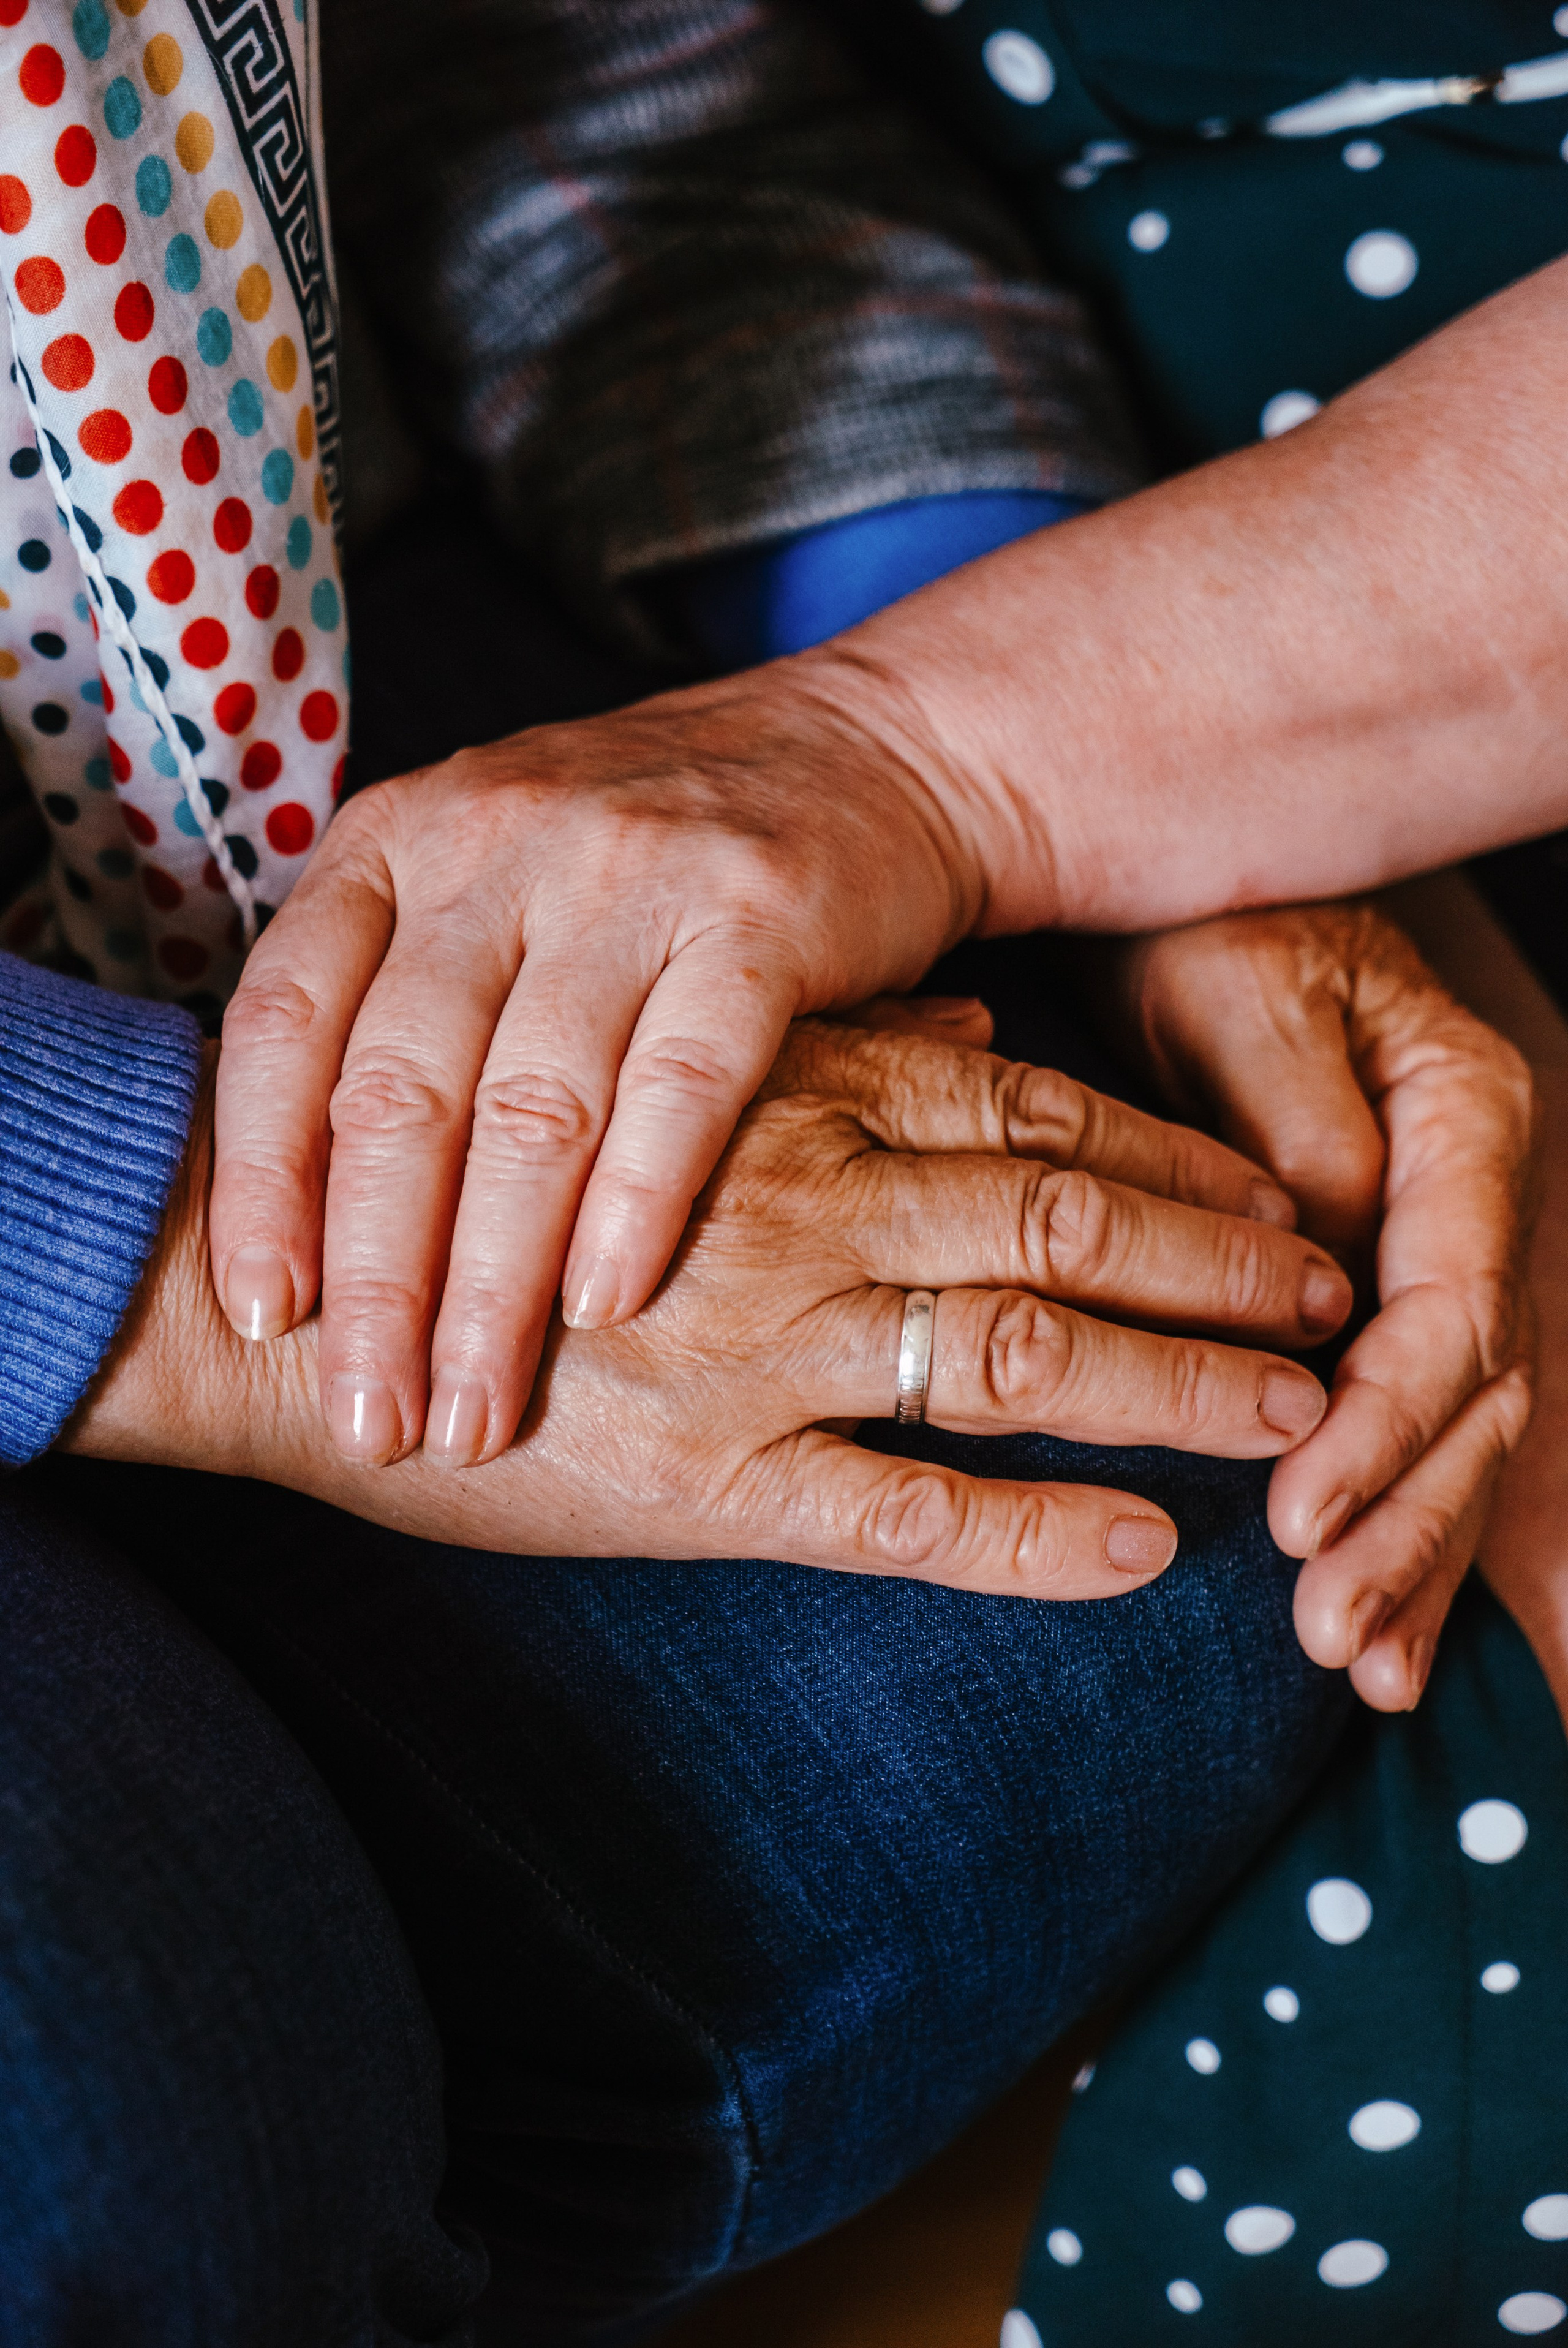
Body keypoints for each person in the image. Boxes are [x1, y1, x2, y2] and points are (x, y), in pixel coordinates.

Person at [0, 6, 1557, 2345]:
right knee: (124, 2130)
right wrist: (180, 1259)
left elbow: (585, 87)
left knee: (1168, 1506)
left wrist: (1082, 769)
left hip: (251, 691)